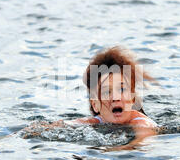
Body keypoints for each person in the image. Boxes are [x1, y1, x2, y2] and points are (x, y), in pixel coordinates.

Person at [23, 46, 158, 150]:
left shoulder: (141, 123)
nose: (116, 97)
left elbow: (142, 140)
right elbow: (66, 125)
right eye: (107, 92)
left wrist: (118, 151)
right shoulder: (96, 122)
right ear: (95, 105)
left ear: (133, 98)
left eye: (122, 89)